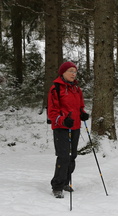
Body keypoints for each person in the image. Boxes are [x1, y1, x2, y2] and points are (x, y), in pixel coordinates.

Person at [47, 61, 89, 198]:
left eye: (75, 71)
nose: (73, 74)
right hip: (61, 127)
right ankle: (57, 186)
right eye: (70, 71)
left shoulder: (77, 89)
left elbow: (80, 106)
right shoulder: (56, 88)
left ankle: (65, 181)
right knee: (64, 156)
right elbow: (52, 112)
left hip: (75, 126)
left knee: (72, 156)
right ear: (63, 72)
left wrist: (82, 113)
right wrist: (62, 120)